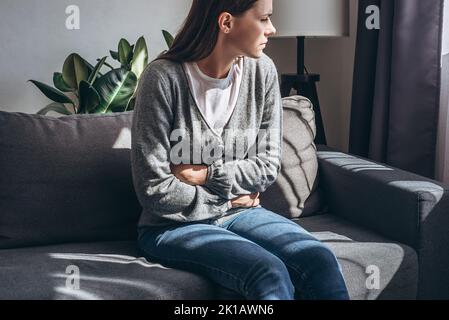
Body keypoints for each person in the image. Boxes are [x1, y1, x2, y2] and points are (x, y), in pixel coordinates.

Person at [131, 0, 350, 300]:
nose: (272, 29)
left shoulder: (263, 72)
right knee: (267, 271)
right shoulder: (162, 79)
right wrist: (230, 196)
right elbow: (155, 189)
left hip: (243, 214)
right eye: (263, 19)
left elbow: (267, 167)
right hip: (170, 226)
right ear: (226, 23)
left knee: (319, 259)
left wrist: (207, 175)